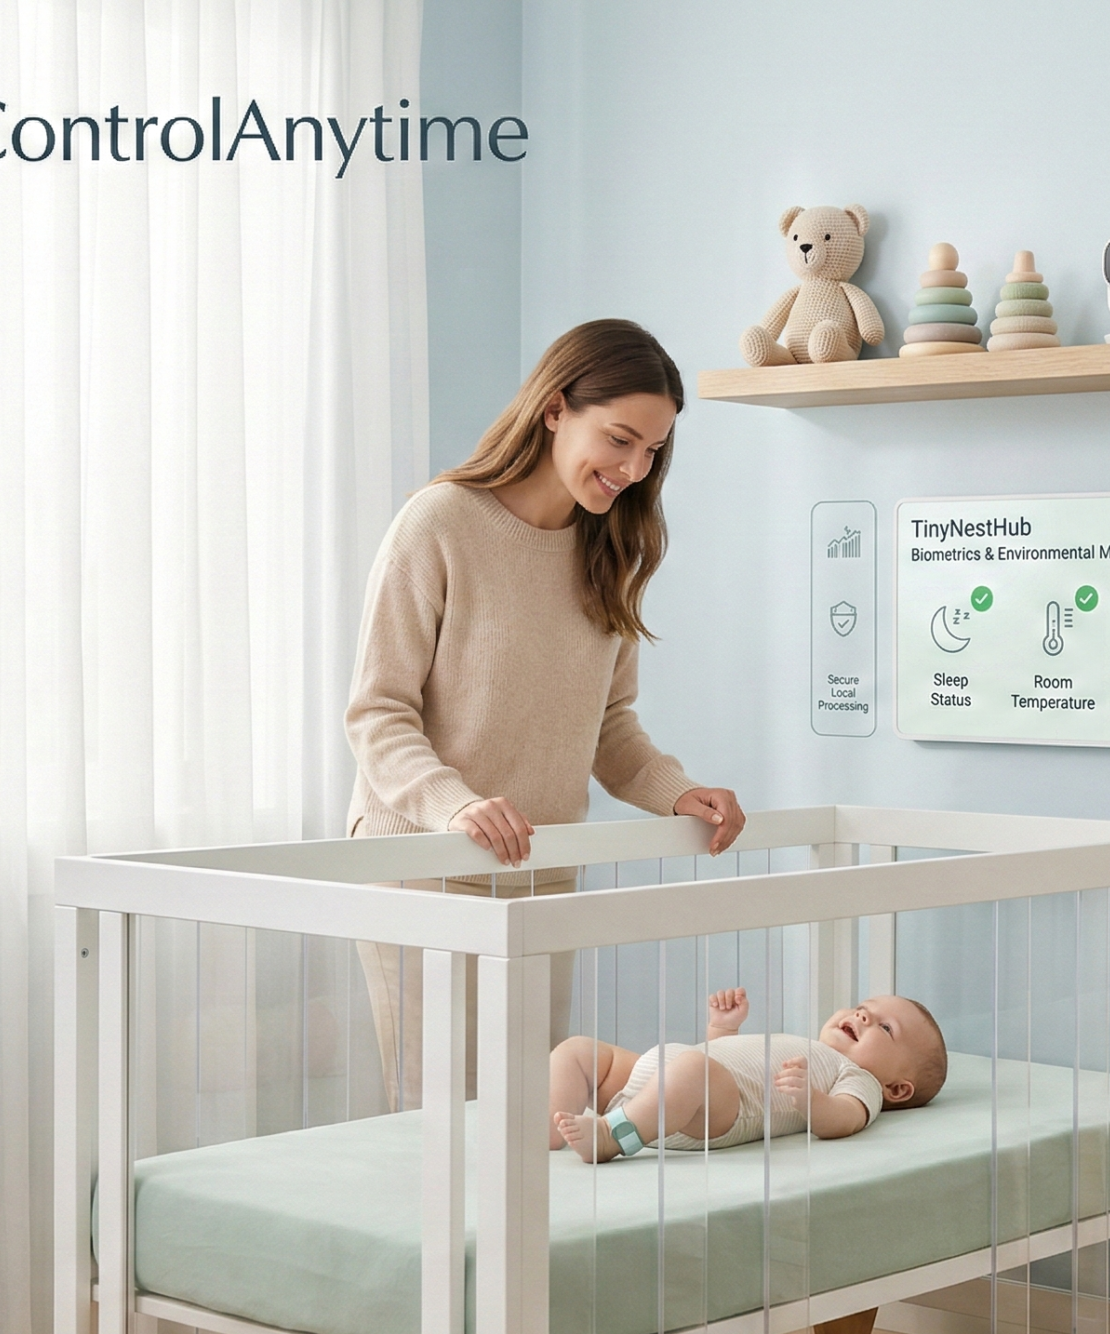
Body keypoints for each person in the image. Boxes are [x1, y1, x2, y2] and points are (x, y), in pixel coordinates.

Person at [343, 318, 745, 1111]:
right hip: (425, 865)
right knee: (441, 1112)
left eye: (653, 451)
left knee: (531, 1109)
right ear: (555, 407)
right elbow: (377, 712)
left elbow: (609, 727)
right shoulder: (442, 523)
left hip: (540, 869)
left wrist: (677, 792)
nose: (634, 469)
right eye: (620, 439)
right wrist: (456, 805)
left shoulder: (610, 552)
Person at [550, 989, 948, 1161]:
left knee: (693, 1070)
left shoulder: (858, 1077)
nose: (863, 1015)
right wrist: (723, 1030)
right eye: (864, 1006)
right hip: (668, 1080)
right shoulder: (801, 1046)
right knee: (578, 1050)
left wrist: (812, 1101)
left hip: (713, 1114)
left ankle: (612, 1137)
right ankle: (545, 1133)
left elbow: (845, 1119)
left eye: (885, 1028)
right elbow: (725, 1058)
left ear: (896, 1088)